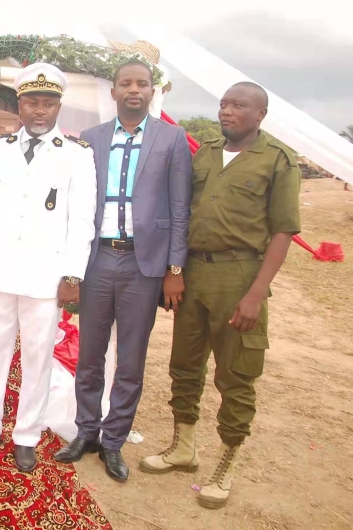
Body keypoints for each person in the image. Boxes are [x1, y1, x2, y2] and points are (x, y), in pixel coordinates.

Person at [140, 82, 301, 509]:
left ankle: (226, 464)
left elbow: (283, 231)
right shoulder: (206, 153)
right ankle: (183, 448)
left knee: (236, 375)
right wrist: (174, 271)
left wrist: (256, 294)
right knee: (184, 365)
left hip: (239, 275)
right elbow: (181, 212)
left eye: (238, 106)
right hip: (194, 273)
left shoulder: (276, 160)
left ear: (260, 114)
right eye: (224, 104)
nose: (227, 112)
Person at [0, 63, 97, 473]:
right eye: (32, 101)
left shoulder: (76, 154)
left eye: (48, 103)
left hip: (46, 277)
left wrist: (73, 275)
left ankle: (27, 435)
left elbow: (82, 221)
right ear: (19, 104)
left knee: (37, 358)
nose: (40, 110)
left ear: (58, 107)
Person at [54, 59, 192, 482]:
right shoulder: (91, 139)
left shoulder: (172, 138)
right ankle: (86, 432)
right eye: (126, 83)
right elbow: (76, 205)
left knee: (131, 359)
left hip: (143, 264)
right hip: (98, 259)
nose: (134, 89)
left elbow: (180, 208)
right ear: (113, 92)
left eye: (142, 83)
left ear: (152, 92)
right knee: (90, 354)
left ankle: (113, 441)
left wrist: (174, 267)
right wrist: (72, 267)